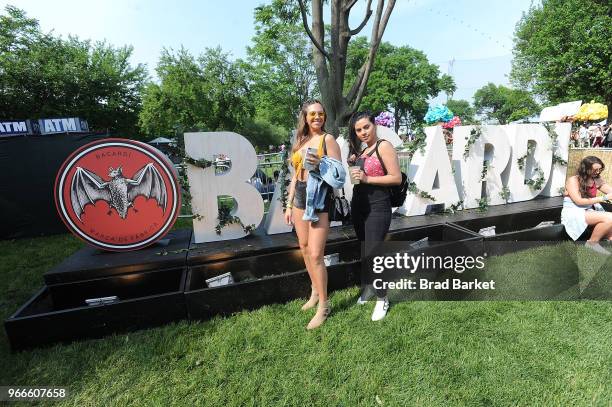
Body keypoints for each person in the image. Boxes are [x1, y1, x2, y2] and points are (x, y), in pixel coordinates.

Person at [284, 100, 342, 330]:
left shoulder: (328, 140)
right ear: (305, 117)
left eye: (321, 113)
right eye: (312, 114)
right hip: (299, 197)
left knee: (317, 254)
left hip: (318, 199)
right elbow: (295, 175)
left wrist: (320, 165)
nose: (317, 117)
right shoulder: (301, 141)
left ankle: (324, 306)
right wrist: (288, 205)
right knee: (305, 248)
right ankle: (315, 291)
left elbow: (339, 175)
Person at [347, 111, 402, 321]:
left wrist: (368, 179)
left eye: (366, 127)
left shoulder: (383, 146)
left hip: (378, 207)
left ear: (374, 125)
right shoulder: (362, 150)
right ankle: (370, 288)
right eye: (358, 130)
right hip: (359, 206)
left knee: (373, 253)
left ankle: (383, 298)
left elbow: (395, 178)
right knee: (365, 251)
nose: (362, 132)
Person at [561, 156, 612, 255]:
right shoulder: (573, 180)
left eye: (599, 169)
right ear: (586, 168)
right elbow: (579, 201)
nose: (597, 172)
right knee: (610, 217)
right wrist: (604, 198)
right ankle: (592, 244)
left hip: (588, 210)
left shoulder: (596, 179)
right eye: (595, 170)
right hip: (574, 211)